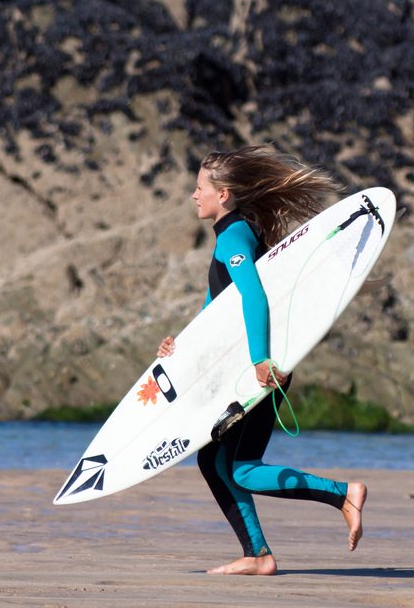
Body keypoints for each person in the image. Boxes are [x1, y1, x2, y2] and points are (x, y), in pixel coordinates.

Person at [156, 144, 367, 576]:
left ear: (224, 194)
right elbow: (217, 308)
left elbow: (253, 296)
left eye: (200, 189)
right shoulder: (235, 234)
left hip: (260, 371)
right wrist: (180, 345)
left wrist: (260, 361)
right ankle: (260, 554)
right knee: (217, 462)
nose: (194, 196)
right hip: (252, 370)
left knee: (240, 469)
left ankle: (339, 496)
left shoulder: (233, 237)